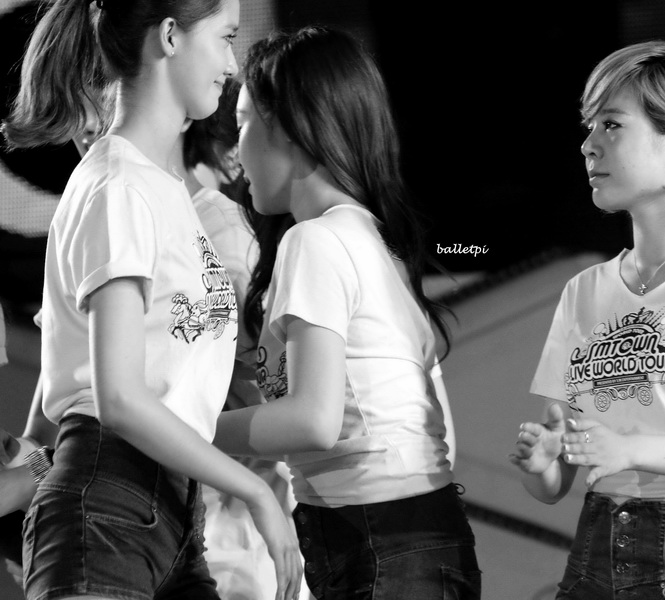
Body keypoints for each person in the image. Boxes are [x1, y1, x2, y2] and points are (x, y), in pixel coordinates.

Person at [1, 1, 302, 599]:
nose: (232, 64)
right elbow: (113, 400)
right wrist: (254, 491)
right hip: (110, 507)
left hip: (173, 520)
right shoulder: (119, 186)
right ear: (169, 36)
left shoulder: (163, 196)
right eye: (225, 38)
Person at [212, 25, 481, 600]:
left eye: (243, 123)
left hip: (380, 543)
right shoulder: (377, 242)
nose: (236, 151)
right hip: (412, 537)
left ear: (290, 128)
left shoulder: (316, 240)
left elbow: (313, 420)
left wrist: (179, 427)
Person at [509, 39, 665, 599]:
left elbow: (618, 448)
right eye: (589, 126)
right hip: (597, 546)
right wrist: (544, 462)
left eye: (612, 125)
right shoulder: (584, 292)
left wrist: (631, 451)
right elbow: (556, 483)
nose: (587, 144)